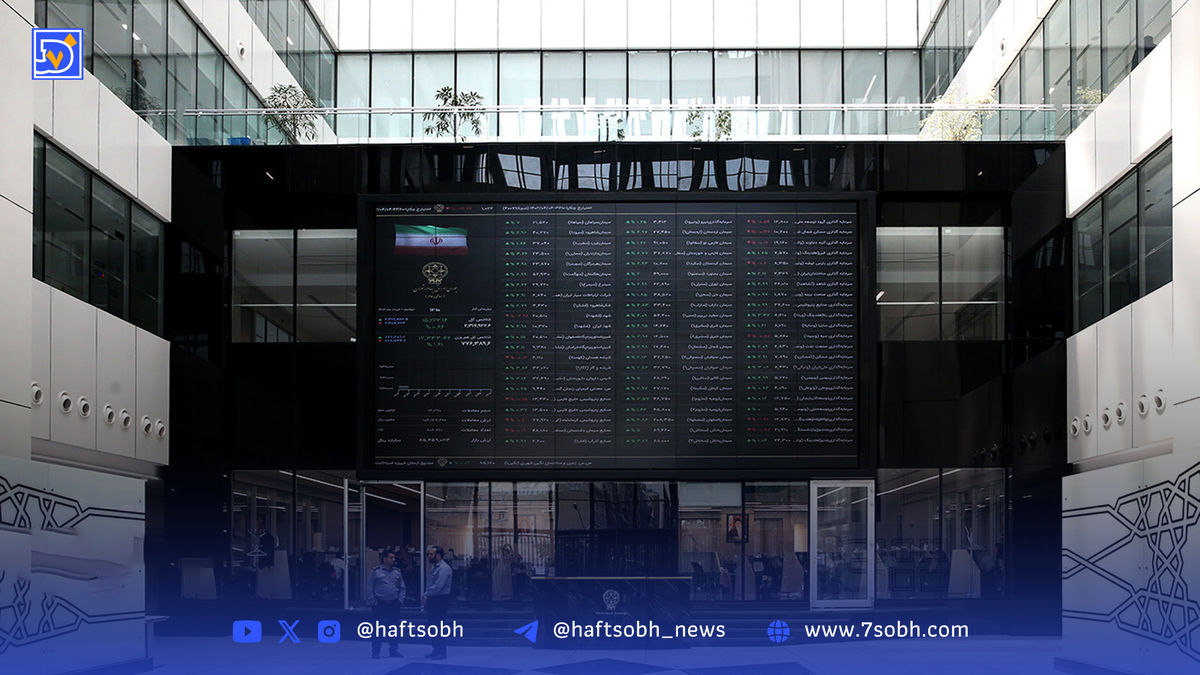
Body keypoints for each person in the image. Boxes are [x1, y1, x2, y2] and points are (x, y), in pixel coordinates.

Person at [368, 549, 405, 659]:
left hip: (393, 604)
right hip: (379, 604)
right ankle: (376, 651)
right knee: (377, 629)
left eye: (394, 558)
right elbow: (370, 587)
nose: (393, 559)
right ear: (384, 559)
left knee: (393, 629)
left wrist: (400, 600)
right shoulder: (376, 571)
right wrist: (372, 601)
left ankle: (394, 650)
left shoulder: (397, 572)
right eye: (391, 557)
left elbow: (402, 587)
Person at [423, 545, 452, 660]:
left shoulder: (444, 568)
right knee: (432, 626)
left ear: (438, 555)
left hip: (440, 600)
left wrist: (426, 594)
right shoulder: (435, 568)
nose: (429, 556)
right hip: (433, 599)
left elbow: (438, 586)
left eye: (431, 554)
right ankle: (436, 649)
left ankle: (441, 651)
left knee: (438, 626)